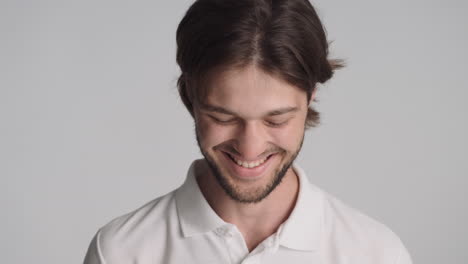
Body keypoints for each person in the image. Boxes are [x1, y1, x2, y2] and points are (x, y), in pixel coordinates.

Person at [83, 0, 413, 263]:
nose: (250, 148)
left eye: (276, 119)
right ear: (189, 97)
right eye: (224, 117)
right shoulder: (120, 252)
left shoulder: (376, 254)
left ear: (310, 96)